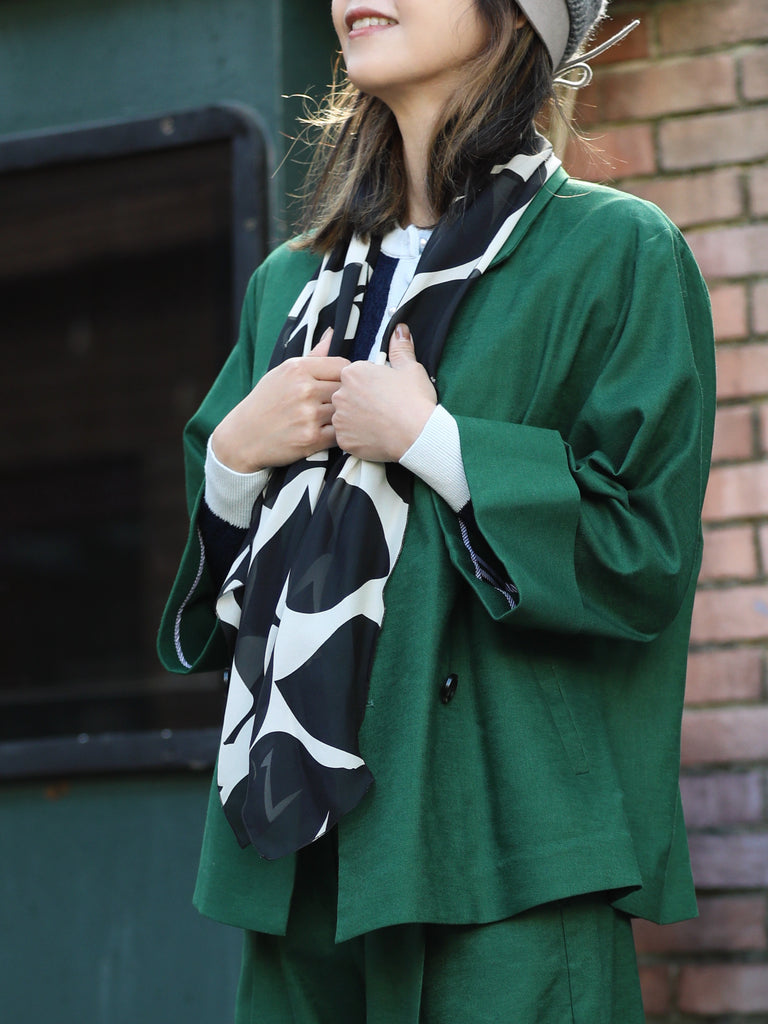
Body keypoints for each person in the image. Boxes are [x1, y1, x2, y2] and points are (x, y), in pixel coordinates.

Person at [158, 0, 716, 1020]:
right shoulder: (290, 285)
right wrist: (235, 458)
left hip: (507, 857)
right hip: (304, 858)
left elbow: (643, 557)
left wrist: (433, 443)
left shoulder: (616, 253)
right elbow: (216, 609)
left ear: (521, 17)